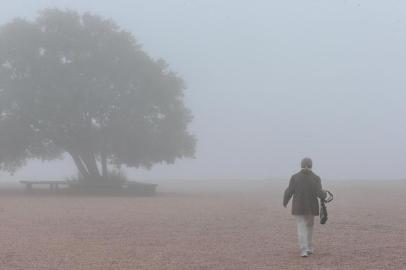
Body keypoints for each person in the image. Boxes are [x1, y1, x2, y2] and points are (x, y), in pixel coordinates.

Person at [283, 157, 327, 257]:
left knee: (301, 228)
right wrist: (325, 195)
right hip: (311, 207)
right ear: (311, 165)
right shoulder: (316, 178)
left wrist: (285, 201)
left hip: (298, 207)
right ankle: (309, 248)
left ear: (301, 165)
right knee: (310, 228)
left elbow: (289, 191)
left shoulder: (294, 177)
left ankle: (304, 249)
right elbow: (319, 192)